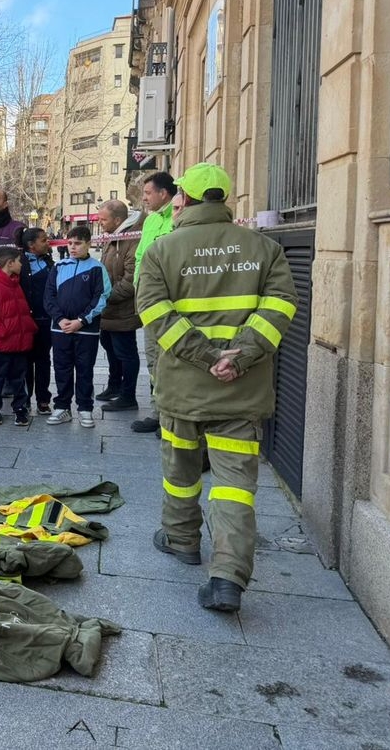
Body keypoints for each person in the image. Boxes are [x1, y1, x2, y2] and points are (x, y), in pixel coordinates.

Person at [137, 163, 296, 613]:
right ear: (226, 201)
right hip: (240, 391)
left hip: (183, 390)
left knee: (180, 470)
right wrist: (238, 356)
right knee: (233, 486)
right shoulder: (265, 249)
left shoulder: (161, 251)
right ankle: (228, 576)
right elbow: (281, 306)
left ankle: (182, 539)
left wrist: (206, 358)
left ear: (181, 199)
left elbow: (155, 315)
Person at [45, 225, 111, 428]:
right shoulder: (59, 266)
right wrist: (60, 319)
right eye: (70, 243)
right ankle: (62, 407)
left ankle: (85, 408)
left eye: (78, 243)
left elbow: (101, 297)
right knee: (62, 368)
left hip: (86, 330)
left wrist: (81, 320)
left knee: (84, 370)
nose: (73, 247)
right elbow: (49, 296)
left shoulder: (97, 268)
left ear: (88, 244)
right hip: (60, 329)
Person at [131, 171, 177, 434]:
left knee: (173, 359)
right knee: (153, 360)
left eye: (148, 193)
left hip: (173, 302)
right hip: (150, 302)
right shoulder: (149, 221)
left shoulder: (179, 216)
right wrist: (140, 289)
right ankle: (158, 412)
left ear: (164, 193)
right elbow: (140, 257)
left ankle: (173, 417)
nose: (145, 199)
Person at [0, 246, 38, 426]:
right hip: (2, 343)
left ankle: (20, 408)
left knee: (19, 377)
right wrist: (2, 331)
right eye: (19, 261)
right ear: (10, 263)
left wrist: (29, 328)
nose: (22, 264)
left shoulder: (15, 283)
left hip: (19, 342)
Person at [96, 199, 145, 413]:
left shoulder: (131, 239)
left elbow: (131, 279)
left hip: (122, 309)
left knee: (125, 352)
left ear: (118, 220)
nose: (100, 223)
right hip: (109, 309)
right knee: (109, 347)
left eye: (103, 219)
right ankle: (114, 385)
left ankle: (128, 395)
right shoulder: (114, 237)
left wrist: (107, 296)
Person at [20, 227, 54, 415]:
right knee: (24, 361)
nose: (47, 242)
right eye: (43, 240)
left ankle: (43, 399)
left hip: (44, 321)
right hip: (24, 321)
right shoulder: (18, 263)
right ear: (31, 245)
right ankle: (24, 398)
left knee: (43, 360)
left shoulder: (50, 263)